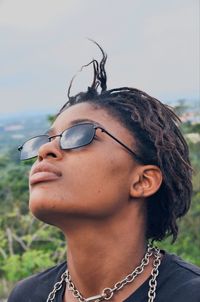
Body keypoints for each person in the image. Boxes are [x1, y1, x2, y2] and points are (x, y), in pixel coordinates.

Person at [8, 43, 200, 302]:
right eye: (45, 140)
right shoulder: (28, 295)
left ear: (143, 181)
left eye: (78, 135)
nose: (46, 150)